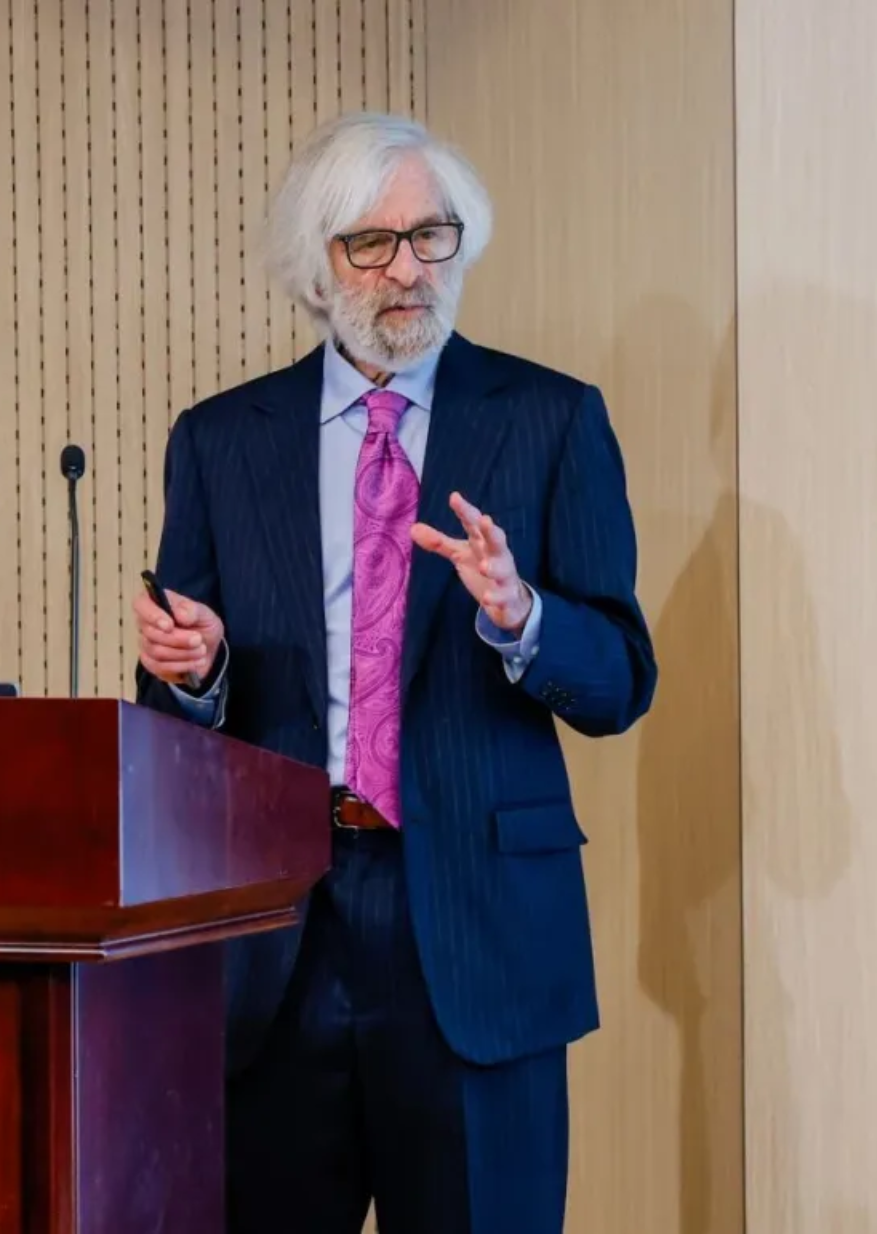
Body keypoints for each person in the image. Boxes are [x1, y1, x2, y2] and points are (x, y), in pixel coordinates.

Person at [131, 111, 656, 1234]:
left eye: (432, 235)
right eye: (373, 242)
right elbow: (174, 721)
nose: (409, 269)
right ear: (318, 267)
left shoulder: (551, 420)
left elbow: (620, 680)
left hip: (475, 935)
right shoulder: (221, 441)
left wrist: (524, 618)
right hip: (276, 939)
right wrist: (194, 672)